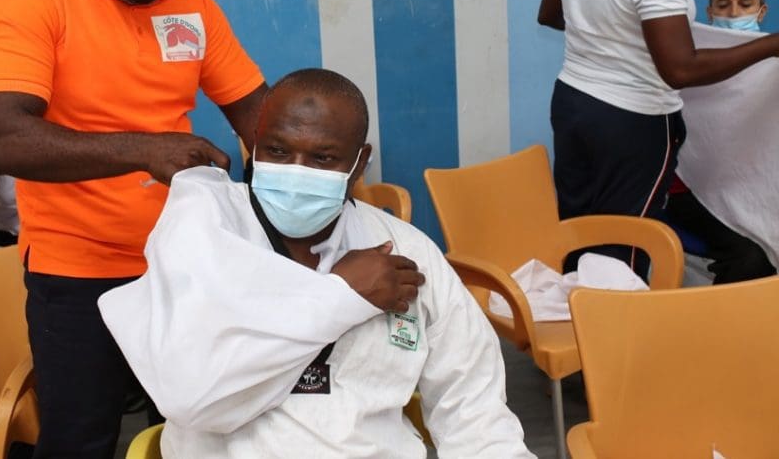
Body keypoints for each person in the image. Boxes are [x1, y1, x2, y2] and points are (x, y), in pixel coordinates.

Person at [0, 0, 268, 458]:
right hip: (78, 277)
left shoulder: (192, 8)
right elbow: (2, 137)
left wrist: (318, 163)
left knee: (213, 430)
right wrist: (144, 150)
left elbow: (258, 115)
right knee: (81, 442)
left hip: (184, 265)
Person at [99, 69, 535, 459]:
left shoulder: (406, 251)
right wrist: (339, 297)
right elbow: (194, 396)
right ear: (254, 145)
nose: (296, 170)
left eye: (322, 158)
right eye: (277, 151)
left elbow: (474, 411)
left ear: (359, 163)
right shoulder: (206, 229)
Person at [537, 0, 779, 279]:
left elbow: (551, 14)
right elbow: (679, 69)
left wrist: (611, 36)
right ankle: (613, 340)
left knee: (580, 231)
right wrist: (770, 44)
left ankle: (574, 330)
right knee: (626, 246)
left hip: (573, 104)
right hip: (632, 123)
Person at [665, 0, 776, 284]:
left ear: (762, 11)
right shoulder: (687, 60)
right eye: (724, 5)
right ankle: (722, 329)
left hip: (753, 185)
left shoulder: (772, 60)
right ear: (710, 11)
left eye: (745, 4)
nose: (734, 12)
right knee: (751, 256)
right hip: (690, 189)